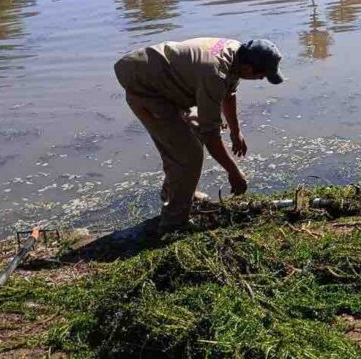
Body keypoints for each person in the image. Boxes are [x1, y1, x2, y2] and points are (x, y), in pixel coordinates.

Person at [114, 38, 284, 233]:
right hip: (144, 85)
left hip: (168, 80)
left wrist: (236, 131)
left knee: (195, 130)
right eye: (262, 74)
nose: (262, 79)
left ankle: (178, 192)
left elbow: (229, 94)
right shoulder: (214, 74)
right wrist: (234, 172)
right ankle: (174, 223)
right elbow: (210, 135)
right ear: (248, 67)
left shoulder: (238, 54)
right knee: (188, 154)